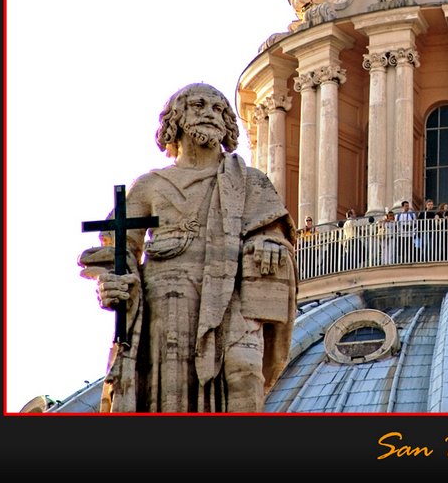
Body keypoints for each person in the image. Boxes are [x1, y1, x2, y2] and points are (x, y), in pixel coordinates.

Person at [78, 83, 297, 413]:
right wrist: (112, 280)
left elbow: (272, 232)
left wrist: (269, 243)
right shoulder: (150, 185)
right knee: (168, 387)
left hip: (231, 297)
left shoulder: (249, 181)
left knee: (244, 369)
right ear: (175, 120)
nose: (210, 114)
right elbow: (118, 247)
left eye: (219, 110)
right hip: (166, 298)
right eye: (198, 105)